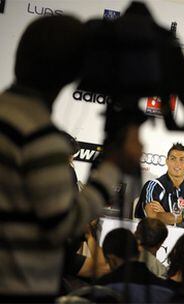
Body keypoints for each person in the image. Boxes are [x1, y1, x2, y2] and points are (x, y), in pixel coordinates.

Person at [0, 15, 143, 301]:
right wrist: (111, 169)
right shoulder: (39, 136)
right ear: (74, 71)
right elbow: (63, 225)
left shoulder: (9, 116)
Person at [96, 228, 173, 303]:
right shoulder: (164, 289)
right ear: (138, 252)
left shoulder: (103, 287)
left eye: (107, 262)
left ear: (112, 260)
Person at [134, 143, 184, 225]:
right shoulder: (153, 186)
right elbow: (153, 216)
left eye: (182, 160)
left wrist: (164, 214)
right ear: (167, 161)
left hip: (182, 237)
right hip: (154, 236)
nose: (177, 164)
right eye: (173, 159)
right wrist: (183, 217)